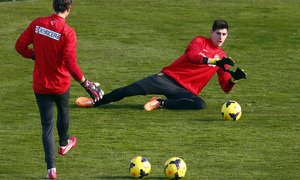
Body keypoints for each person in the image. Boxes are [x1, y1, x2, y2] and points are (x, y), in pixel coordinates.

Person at [15, 0, 104, 179]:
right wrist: (87, 84)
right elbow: (70, 63)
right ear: (69, 9)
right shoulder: (68, 32)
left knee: (46, 126)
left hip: (40, 85)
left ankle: (51, 169)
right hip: (60, 85)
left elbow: (20, 46)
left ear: (53, 6)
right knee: (64, 112)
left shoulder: (38, 23)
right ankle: (63, 144)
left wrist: (34, 55)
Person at [77, 19, 246, 111]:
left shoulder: (223, 58)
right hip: (168, 79)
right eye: (218, 33)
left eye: (224, 34)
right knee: (129, 90)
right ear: (211, 32)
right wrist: (215, 61)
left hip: (185, 91)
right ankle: (96, 102)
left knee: (200, 105)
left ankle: (159, 102)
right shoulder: (200, 41)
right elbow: (191, 56)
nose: (221, 38)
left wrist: (233, 79)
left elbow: (225, 87)